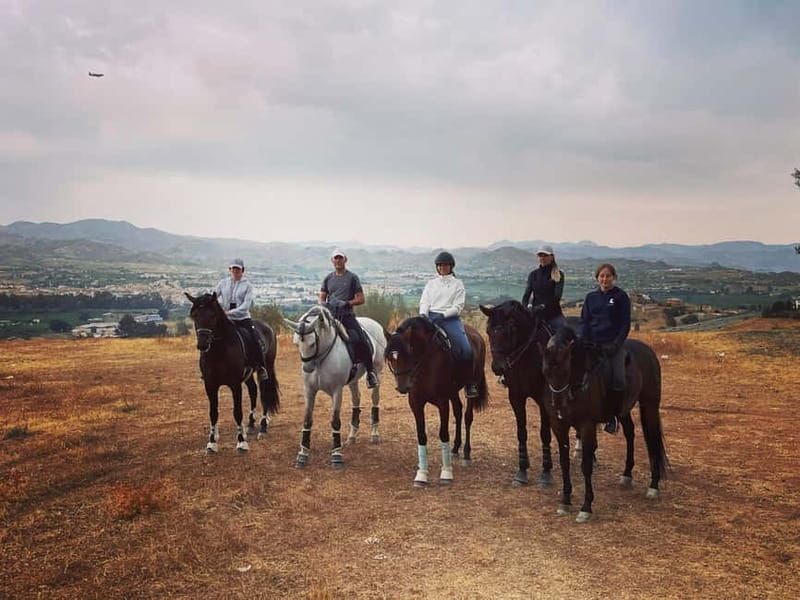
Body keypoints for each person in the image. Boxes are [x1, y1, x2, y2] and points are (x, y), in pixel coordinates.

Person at [418, 251, 479, 399]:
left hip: (450, 319)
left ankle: (470, 383)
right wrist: (423, 314)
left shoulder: (458, 284)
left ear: (451, 266)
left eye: (445, 265)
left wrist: (443, 315)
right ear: (437, 267)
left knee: (465, 348)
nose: (443, 267)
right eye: (440, 265)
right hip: (430, 316)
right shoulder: (431, 284)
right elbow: (424, 301)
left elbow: (458, 306)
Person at [580, 263, 631, 434]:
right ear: (597, 278)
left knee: (618, 379)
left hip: (612, 344)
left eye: (608, 276)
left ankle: (613, 416)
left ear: (614, 278)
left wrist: (616, 344)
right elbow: (585, 322)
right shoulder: (591, 297)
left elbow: (625, 324)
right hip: (593, 344)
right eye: (601, 276)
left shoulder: (621, 296)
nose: (605, 279)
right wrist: (584, 341)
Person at [320, 249, 379, 388]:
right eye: (336, 258)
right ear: (332, 261)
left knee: (361, 339)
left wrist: (347, 303)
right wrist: (327, 304)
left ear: (345, 260)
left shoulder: (352, 277)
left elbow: (361, 299)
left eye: (340, 258)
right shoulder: (328, 278)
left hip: (347, 316)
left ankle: (370, 373)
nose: (338, 261)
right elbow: (321, 297)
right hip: (331, 315)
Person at [215, 258, 269, 381]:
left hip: (242, 318)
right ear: (230, 269)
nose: (235, 271)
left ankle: (260, 367)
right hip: (226, 319)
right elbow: (214, 296)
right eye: (233, 268)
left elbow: (245, 306)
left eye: (237, 269)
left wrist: (229, 312)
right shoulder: (223, 283)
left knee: (255, 339)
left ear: (242, 270)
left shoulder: (247, 285)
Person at [521, 244, 566, 333]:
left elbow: (556, 297)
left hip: (554, 316)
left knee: (562, 338)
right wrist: (525, 308)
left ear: (552, 257)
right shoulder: (533, 275)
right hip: (535, 315)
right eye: (540, 255)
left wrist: (543, 306)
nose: (542, 258)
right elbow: (526, 295)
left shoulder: (558, 275)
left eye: (545, 255)